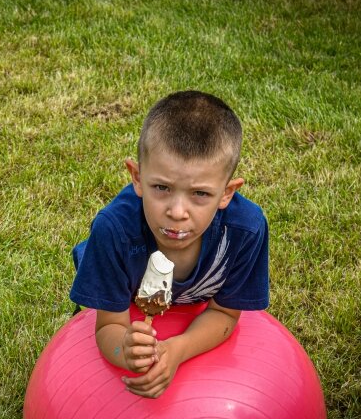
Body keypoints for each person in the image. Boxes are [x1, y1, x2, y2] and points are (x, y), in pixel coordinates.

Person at [69, 90, 269, 399]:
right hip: (122, 287)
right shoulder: (114, 230)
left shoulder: (245, 231)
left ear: (227, 193)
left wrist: (176, 350)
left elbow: (226, 314)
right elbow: (108, 327)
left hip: (195, 304)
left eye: (200, 194)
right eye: (161, 187)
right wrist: (125, 351)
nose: (177, 212)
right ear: (137, 177)